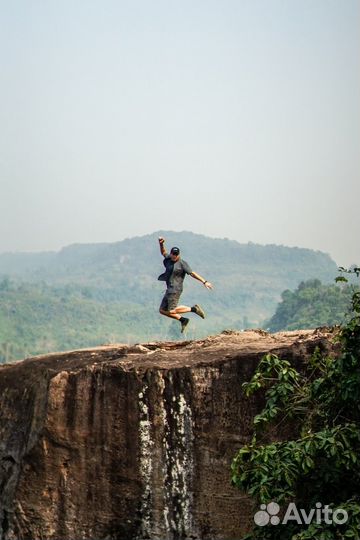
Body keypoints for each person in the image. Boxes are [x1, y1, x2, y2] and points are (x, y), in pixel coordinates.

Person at [157, 236, 213, 333]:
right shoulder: (168, 259)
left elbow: (192, 273)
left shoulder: (182, 264)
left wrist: (204, 281)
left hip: (175, 289)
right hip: (169, 289)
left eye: (176, 254)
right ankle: (183, 320)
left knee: (171, 310)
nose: (174, 256)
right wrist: (161, 244)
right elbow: (163, 252)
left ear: (179, 254)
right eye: (173, 254)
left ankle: (194, 309)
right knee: (162, 310)